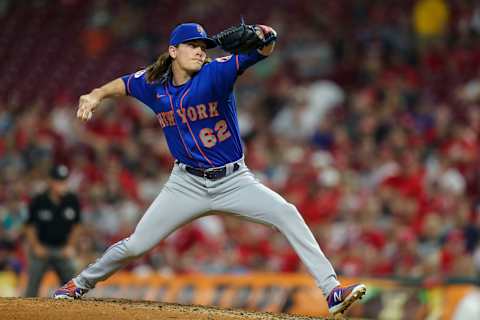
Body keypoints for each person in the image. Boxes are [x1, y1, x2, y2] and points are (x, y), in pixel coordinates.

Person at [53, 22, 366, 315]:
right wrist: (95, 95)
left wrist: (263, 34)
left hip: (233, 180)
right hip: (185, 184)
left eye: (203, 46)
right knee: (136, 245)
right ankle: (77, 284)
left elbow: (264, 47)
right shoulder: (153, 82)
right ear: (173, 51)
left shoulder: (216, 72)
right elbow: (123, 85)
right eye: (191, 45)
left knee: (287, 213)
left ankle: (331, 291)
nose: (200, 50)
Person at [25, 164, 82, 297]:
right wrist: (36, 246)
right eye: (59, 181)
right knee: (31, 287)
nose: (62, 184)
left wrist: (70, 246)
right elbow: (29, 226)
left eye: (64, 181)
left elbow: (77, 226)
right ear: (50, 181)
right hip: (42, 249)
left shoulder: (72, 200)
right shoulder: (39, 200)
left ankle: (77, 313)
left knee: (73, 286)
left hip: (62, 250)